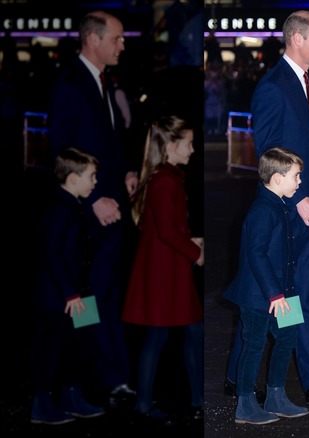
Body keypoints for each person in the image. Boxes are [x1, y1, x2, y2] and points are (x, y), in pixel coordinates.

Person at [229, 9, 309, 405]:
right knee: (279, 296)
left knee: (305, 293)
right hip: (289, 212)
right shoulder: (272, 87)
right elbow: (269, 158)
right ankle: (249, 376)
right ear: (297, 39)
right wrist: (299, 199)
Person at [47, 10, 137, 408]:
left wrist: (126, 174)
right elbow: (63, 154)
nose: (122, 45)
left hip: (111, 210)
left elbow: (108, 144)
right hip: (88, 216)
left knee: (107, 294)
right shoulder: (70, 85)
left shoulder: (104, 82)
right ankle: (86, 379)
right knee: (88, 298)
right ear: (92, 39)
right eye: (116, 38)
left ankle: (109, 375)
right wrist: (94, 196)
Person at [121, 116, 204, 423]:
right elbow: (168, 232)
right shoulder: (165, 180)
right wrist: (195, 252)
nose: (193, 150)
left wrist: (190, 242)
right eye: (189, 144)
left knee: (180, 334)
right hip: (166, 272)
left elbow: (164, 228)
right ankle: (148, 402)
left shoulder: (163, 176)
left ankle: (193, 398)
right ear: (171, 146)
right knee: (164, 338)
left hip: (166, 269)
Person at [223, 147, 309, 425]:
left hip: (283, 292)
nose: (299, 182)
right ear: (276, 178)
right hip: (260, 295)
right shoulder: (263, 209)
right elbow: (256, 253)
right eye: (296, 176)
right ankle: (245, 403)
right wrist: (274, 293)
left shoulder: (280, 205)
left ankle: (276, 395)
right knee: (255, 344)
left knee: (288, 337)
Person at [30, 148, 106, 425]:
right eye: (92, 176)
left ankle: (72, 395)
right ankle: (41, 403)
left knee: (81, 345)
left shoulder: (75, 206)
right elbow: (52, 254)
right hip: (61, 297)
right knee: (51, 349)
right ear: (73, 178)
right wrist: (70, 293)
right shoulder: (59, 210)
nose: (95, 182)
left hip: (81, 292)